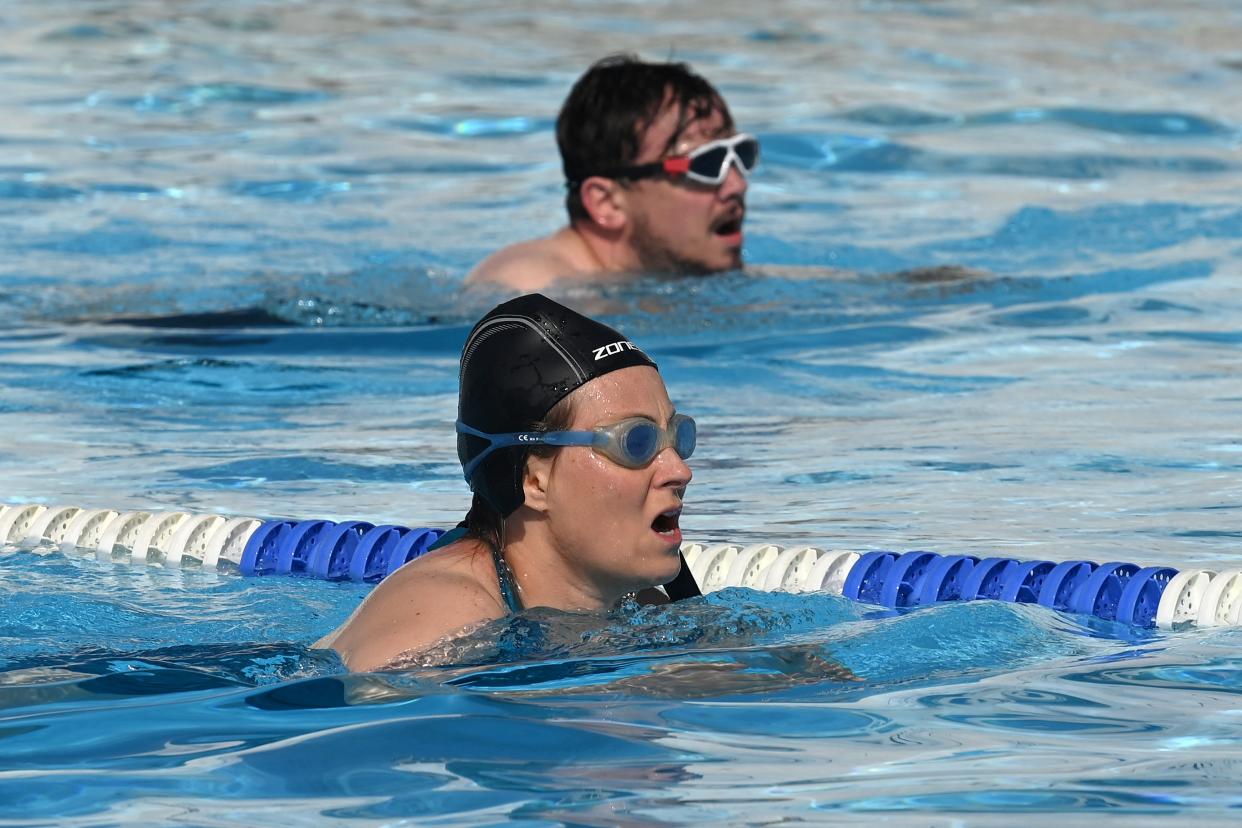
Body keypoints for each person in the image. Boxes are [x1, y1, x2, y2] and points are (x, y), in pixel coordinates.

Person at [316, 293, 701, 671]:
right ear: (534, 480)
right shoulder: (445, 616)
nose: (679, 471)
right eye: (636, 442)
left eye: (677, 436)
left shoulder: (642, 610)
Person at [465, 54, 757, 290]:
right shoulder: (530, 290)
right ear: (608, 202)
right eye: (706, 164)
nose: (737, 184)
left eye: (740, 154)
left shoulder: (668, 271)